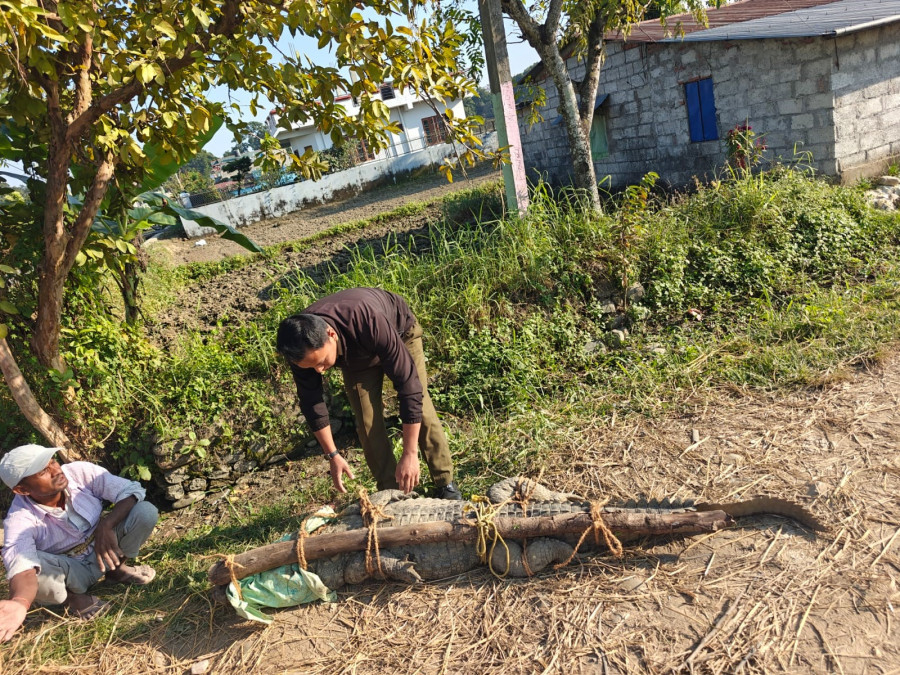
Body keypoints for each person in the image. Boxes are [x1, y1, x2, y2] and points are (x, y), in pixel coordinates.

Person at [277, 287, 462, 499]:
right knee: (367, 422)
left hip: (400, 335)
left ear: (331, 335)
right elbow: (311, 403)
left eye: (320, 362)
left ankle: (445, 482)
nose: (319, 371)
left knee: (422, 408)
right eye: (311, 367)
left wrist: (410, 453)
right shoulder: (300, 348)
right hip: (356, 359)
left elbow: (409, 386)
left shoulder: (366, 318)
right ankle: (392, 492)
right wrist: (333, 455)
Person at [0, 445, 159, 642]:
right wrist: (19, 602)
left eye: (53, 461)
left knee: (144, 512)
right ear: (21, 489)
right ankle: (72, 599)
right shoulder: (19, 519)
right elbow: (21, 567)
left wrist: (106, 525)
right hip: (71, 570)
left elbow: (131, 490)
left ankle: (115, 571)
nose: (56, 470)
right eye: (43, 471)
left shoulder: (78, 473)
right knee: (33, 566)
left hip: (104, 548)